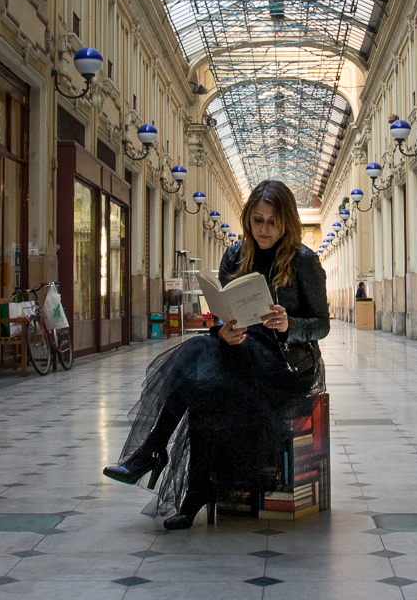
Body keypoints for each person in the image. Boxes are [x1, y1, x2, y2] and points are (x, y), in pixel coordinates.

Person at [103, 179, 329, 530]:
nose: (264, 229)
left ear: (287, 221)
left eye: (272, 221)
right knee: (204, 380)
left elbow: (322, 324)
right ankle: (190, 486)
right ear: (247, 219)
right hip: (240, 349)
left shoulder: (303, 261)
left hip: (284, 364)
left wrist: (289, 324)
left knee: (202, 369)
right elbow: (224, 310)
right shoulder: (235, 255)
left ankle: (155, 456)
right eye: (257, 220)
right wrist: (222, 328)